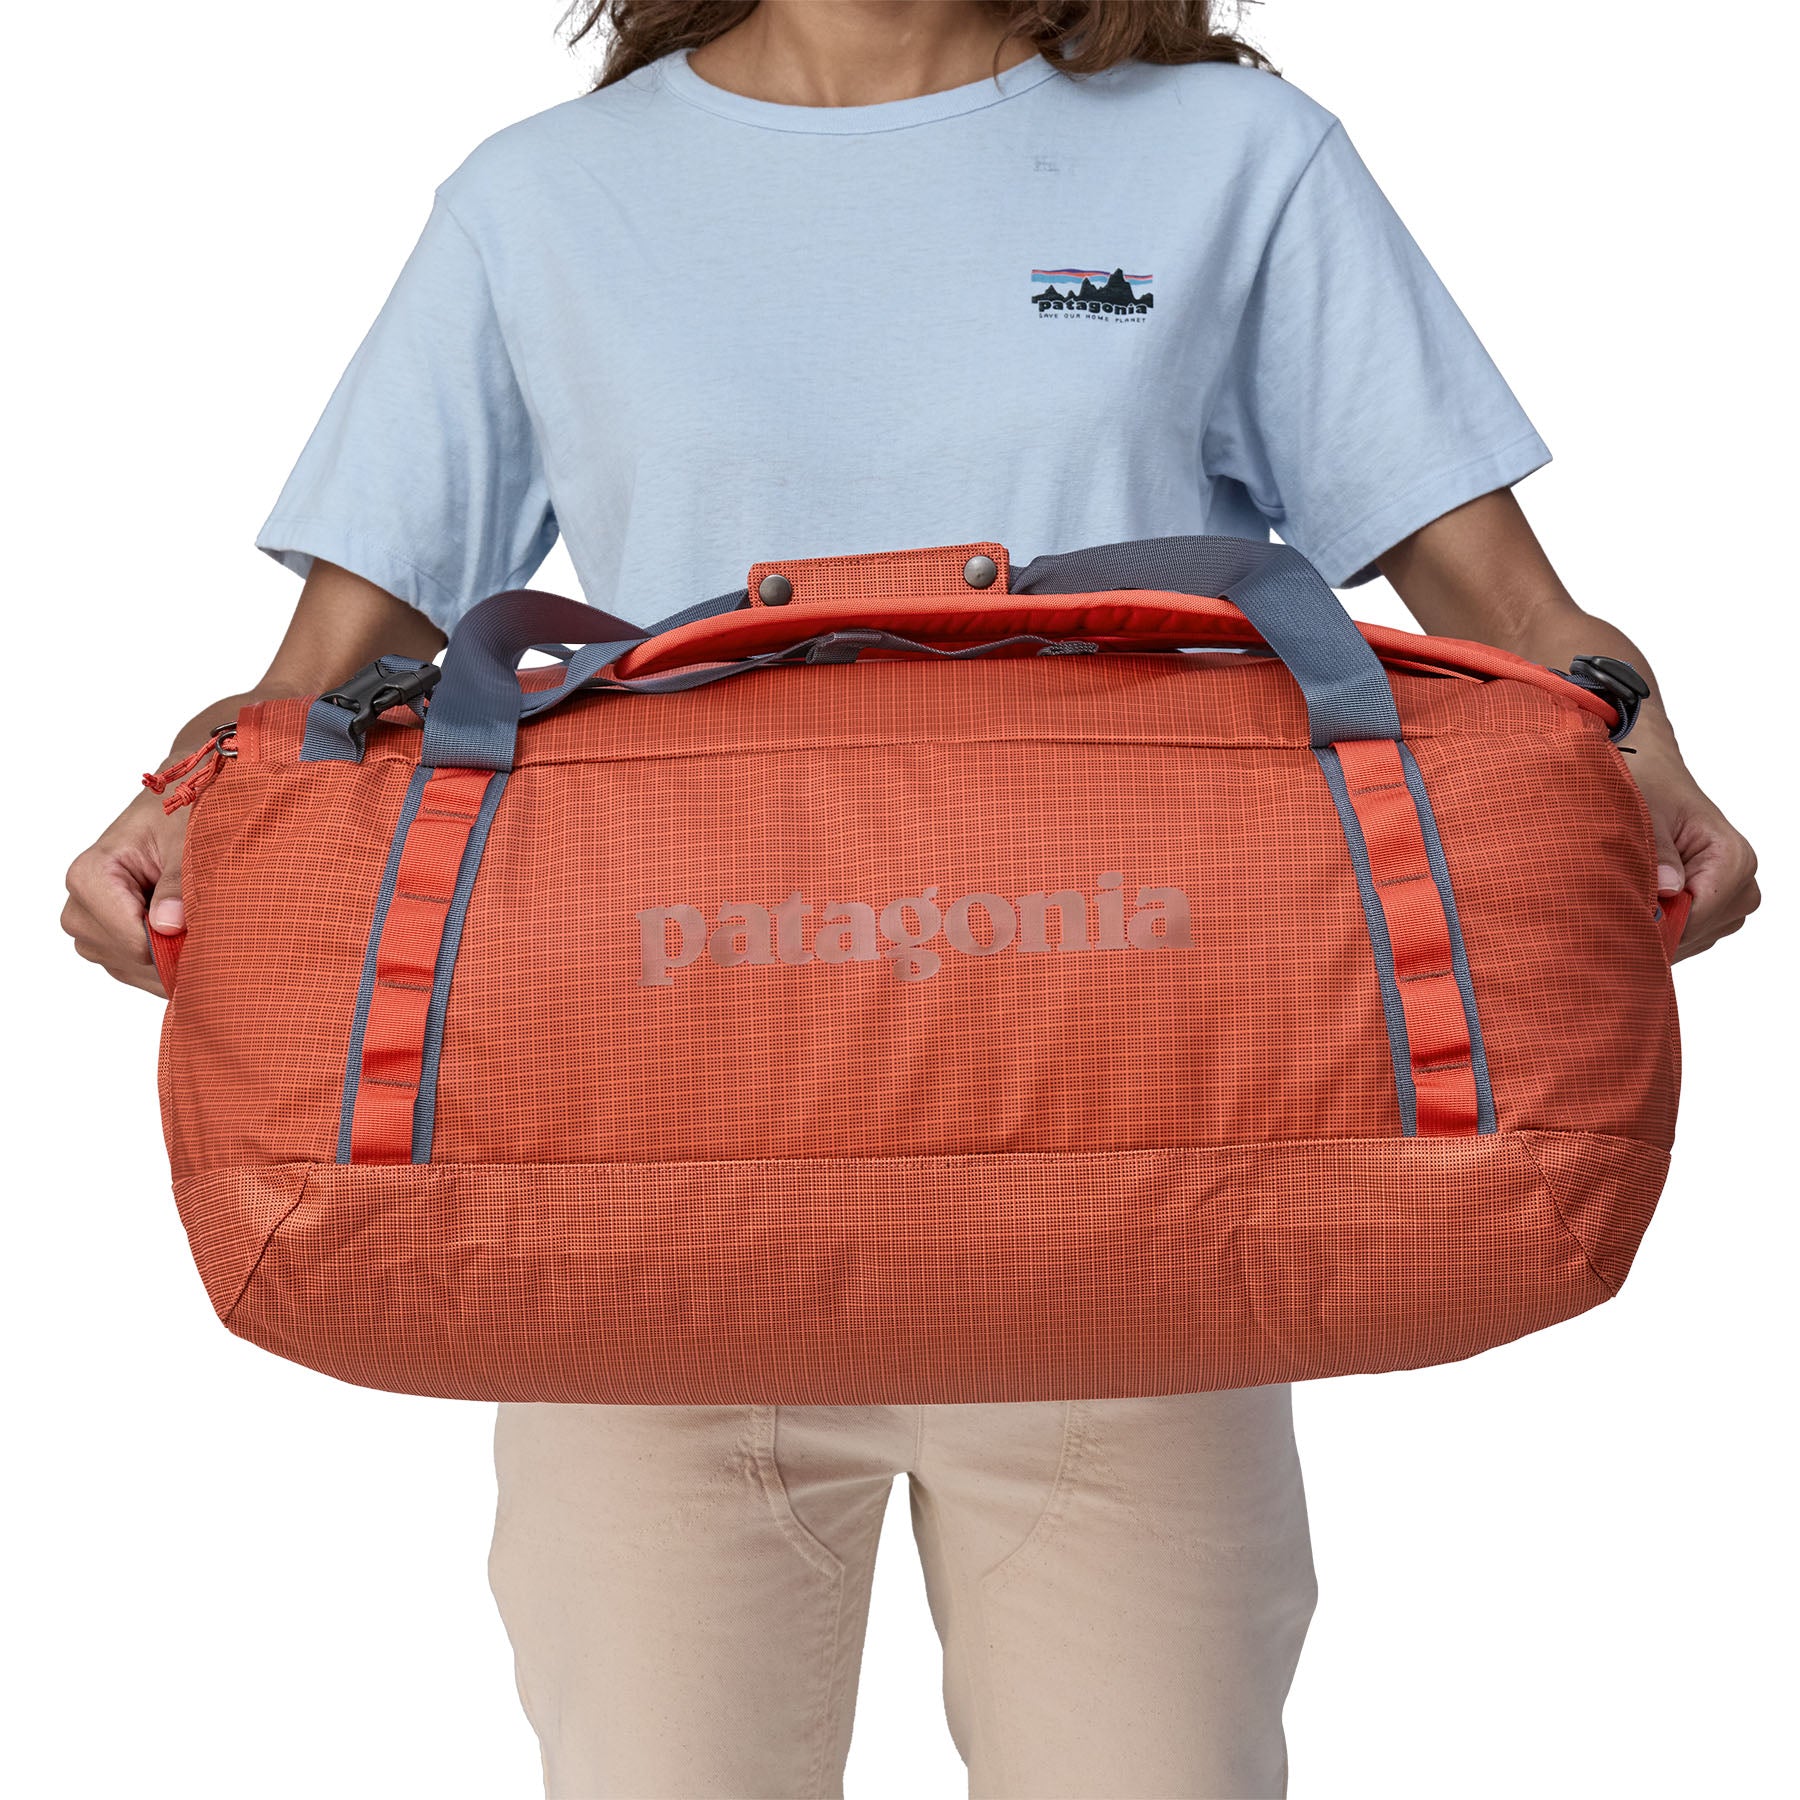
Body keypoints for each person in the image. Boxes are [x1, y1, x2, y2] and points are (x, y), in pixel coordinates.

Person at [62, 3, 1761, 1796]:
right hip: (644, 1221)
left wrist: (1647, 759)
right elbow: (324, 680)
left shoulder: (1237, 161)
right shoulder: (542, 199)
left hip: (1143, 1209)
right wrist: (178, 814)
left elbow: (1511, 611)